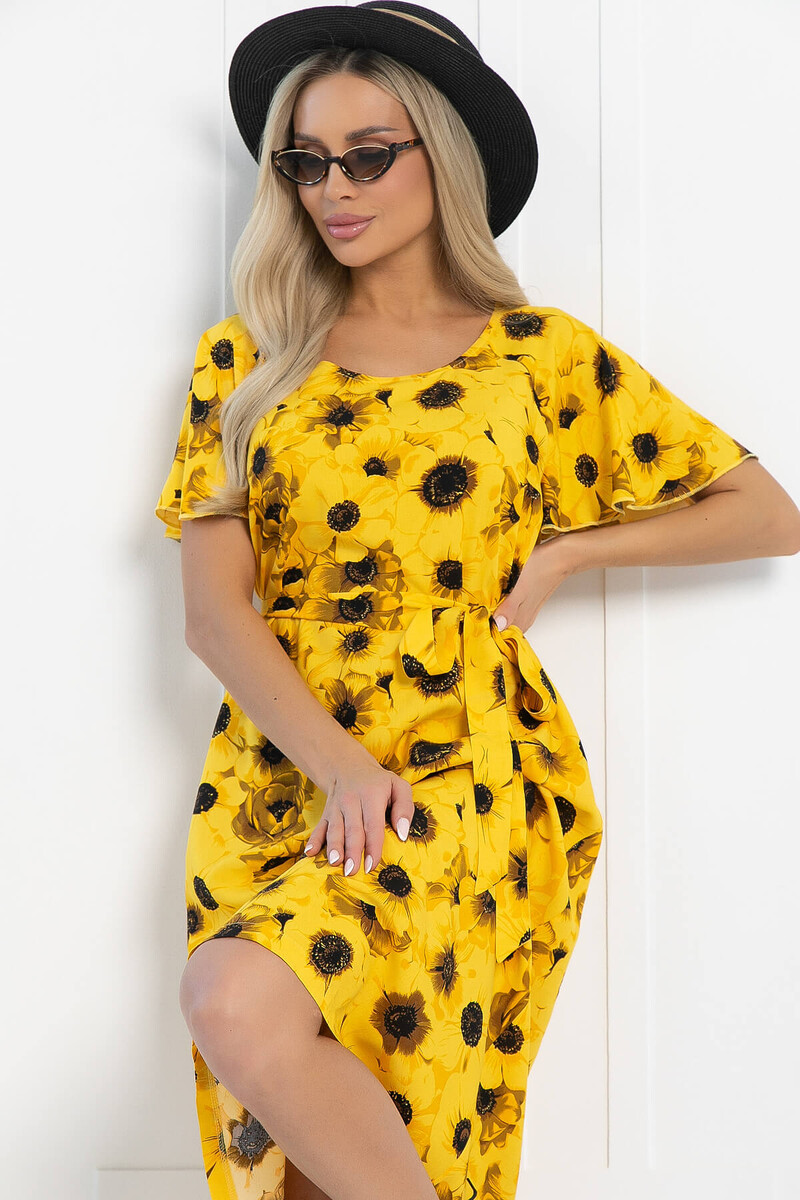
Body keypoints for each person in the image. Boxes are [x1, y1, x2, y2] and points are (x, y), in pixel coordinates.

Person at [154, 5, 800, 1200]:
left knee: (251, 1006)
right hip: (285, 768)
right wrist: (342, 768)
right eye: (305, 162)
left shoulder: (536, 357)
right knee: (292, 1129)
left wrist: (566, 555)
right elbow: (210, 613)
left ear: (441, 155)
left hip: (469, 760)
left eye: (367, 155)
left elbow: (764, 514)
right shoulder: (245, 361)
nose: (332, 191)